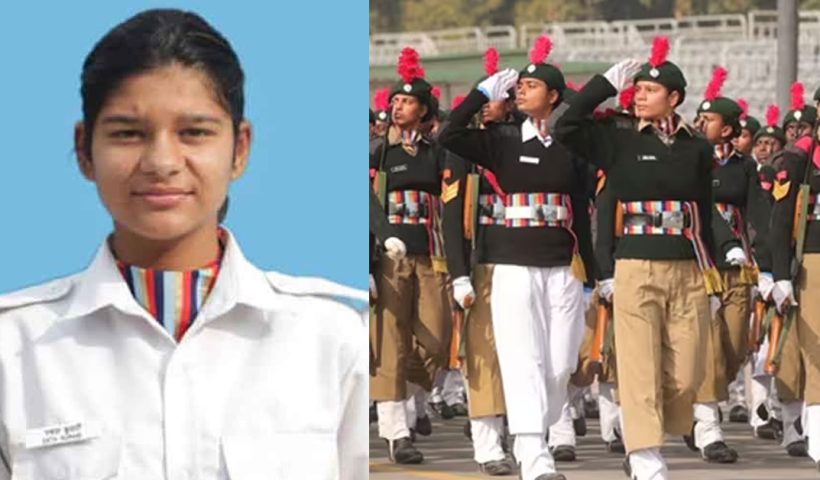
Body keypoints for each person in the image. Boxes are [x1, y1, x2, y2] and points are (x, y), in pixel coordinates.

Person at [0, 9, 367, 480]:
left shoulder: (332, 338)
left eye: (194, 132)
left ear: (239, 149)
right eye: (127, 134)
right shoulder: (16, 349)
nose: (162, 161)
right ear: (83, 150)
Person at [552, 36, 739, 480]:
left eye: (650, 91)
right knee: (638, 369)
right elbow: (565, 125)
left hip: (688, 267)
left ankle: (654, 437)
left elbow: (701, 207)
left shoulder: (696, 147)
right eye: (636, 89)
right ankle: (645, 457)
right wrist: (602, 85)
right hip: (636, 265)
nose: (639, 95)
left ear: (674, 98)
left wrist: (719, 259)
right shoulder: (616, 137)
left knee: (687, 374)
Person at [439, 35, 595, 480]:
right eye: (517, 86)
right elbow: (450, 132)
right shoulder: (501, 141)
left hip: (563, 267)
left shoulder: (572, 146)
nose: (520, 90)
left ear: (554, 96)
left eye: (530, 85)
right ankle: (533, 455)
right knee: (521, 358)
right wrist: (481, 93)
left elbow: (581, 212)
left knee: (561, 363)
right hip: (510, 265)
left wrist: (595, 275)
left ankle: (534, 431)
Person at [369, 46, 454, 465]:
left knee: (438, 340)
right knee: (390, 342)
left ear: (424, 110)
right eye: (395, 101)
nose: (398, 107)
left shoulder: (438, 153)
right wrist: (383, 236)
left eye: (407, 102)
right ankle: (396, 430)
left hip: (431, 254)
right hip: (391, 257)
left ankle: (404, 391)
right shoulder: (377, 152)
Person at [688, 66, 772, 463]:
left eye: (710, 119)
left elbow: (758, 215)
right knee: (705, 345)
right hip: (699, 260)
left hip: (739, 264)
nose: (701, 123)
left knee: (735, 344)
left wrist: (767, 265)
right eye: (699, 117)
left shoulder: (744, 167)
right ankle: (707, 424)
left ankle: (699, 402)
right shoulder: (688, 161)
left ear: (727, 131)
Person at [768, 116, 820, 467]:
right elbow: (781, 219)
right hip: (814, 260)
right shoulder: (800, 159)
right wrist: (780, 274)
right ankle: (817, 437)